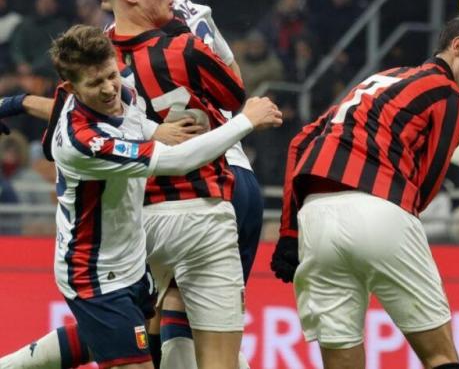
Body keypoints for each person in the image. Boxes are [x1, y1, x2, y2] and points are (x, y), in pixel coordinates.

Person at [0, 0, 264, 368]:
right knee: (160, 324)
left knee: (152, 320)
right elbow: (233, 88)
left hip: (181, 187)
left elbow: (85, 113)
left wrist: (21, 102)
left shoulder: (116, 45)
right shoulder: (186, 22)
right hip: (220, 183)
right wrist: (241, 119)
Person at [270, 17, 459, 369]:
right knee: (440, 356)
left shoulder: (382, 78)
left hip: (315, 221)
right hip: (381, 211)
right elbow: (424, 191)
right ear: (458, 48)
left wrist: (289, 235)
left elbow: (301, 141)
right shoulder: (449, 96)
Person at [37, 24, 279, 369]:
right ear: (70, 88)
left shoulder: (124, 97)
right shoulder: (82, 141)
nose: (108, 89)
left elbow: (135, 124)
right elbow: (176, 163)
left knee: (96, 342)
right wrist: (244, 122)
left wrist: (157, 130)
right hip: (95, 274)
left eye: (110, 76)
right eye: (94, 84)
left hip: (133, 261)